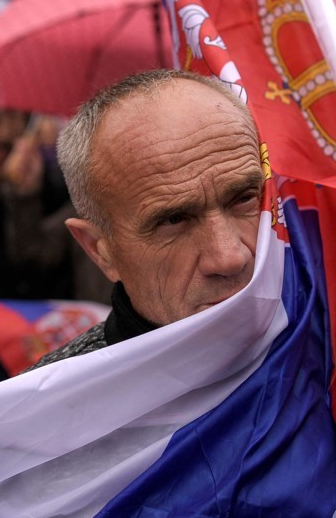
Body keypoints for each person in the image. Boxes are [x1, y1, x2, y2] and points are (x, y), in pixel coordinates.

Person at [33, 69, 262, 368]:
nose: (229, 258)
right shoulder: (57, 405)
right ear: (100, 250)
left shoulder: (334, 343)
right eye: (174, 219)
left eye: (244, 199)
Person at [0, 109, 110, 388]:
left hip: (68, 321)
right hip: (3, 321)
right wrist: (25, 195)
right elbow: (32, 252)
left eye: (11, 146)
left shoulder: (56, 186)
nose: (5, 155)